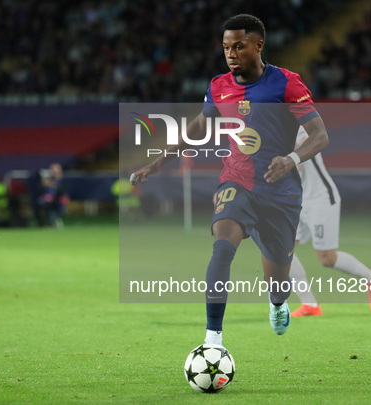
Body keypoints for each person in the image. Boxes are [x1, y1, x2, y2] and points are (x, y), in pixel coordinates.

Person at [131, 14, 329, 347]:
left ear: (258, 45)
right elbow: (197, 127)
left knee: (278, 283)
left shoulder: (286, 83)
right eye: (226, 47)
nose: (231, 53)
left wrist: (290, 159)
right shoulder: (219, 86)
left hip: (281, 193)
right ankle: (213, 341)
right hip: (237, 182)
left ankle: (278, 303)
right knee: (222, 247)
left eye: (238, 46)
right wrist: (157, 162)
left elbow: (320, 135)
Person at [290, 127, 371, 316]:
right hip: (298, 200)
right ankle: (310, 305)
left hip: (321, 199)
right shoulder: (270, 129)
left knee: (327, 259)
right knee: (282, 250)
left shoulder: (301, 126)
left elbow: (303, 150)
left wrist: (289, 159)